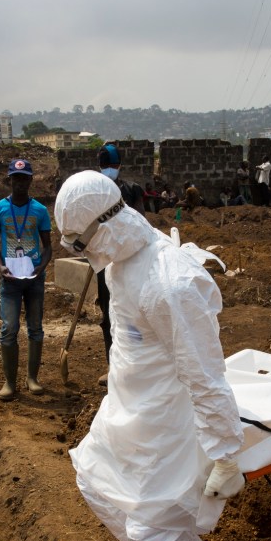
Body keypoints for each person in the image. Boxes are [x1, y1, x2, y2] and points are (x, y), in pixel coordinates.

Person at [54, 170, 245, 541]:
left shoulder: (169, 285)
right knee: (95, 479)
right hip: (130, 415)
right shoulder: (124, 263)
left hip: (166, 435)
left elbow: (206, 375)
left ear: (105, 226)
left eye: (79, 244)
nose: (80, 254)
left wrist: (225, 455)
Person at [0, 158, 52, 401]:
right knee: (9, 328)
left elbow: (48, 247)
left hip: (34, 278)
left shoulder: (40, 211)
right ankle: (10, 382)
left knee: (35, 328)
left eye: (24, 178)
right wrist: (0, 266)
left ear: (31, 180)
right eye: (16, 178)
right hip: (10, 280)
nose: (20, 183)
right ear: (10, 180)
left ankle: (32, 378)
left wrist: (41, 267)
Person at [93, 144, 146, 386]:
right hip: (105, 264)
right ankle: (113, 366)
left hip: (132, 263)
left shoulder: (132, 190)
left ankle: (137, 365)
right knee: (108, 314)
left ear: (119, 166)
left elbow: (143, 224)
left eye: (113, 166)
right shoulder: (94, 193)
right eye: (105, 166)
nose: (109, 170)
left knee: (133, 313)